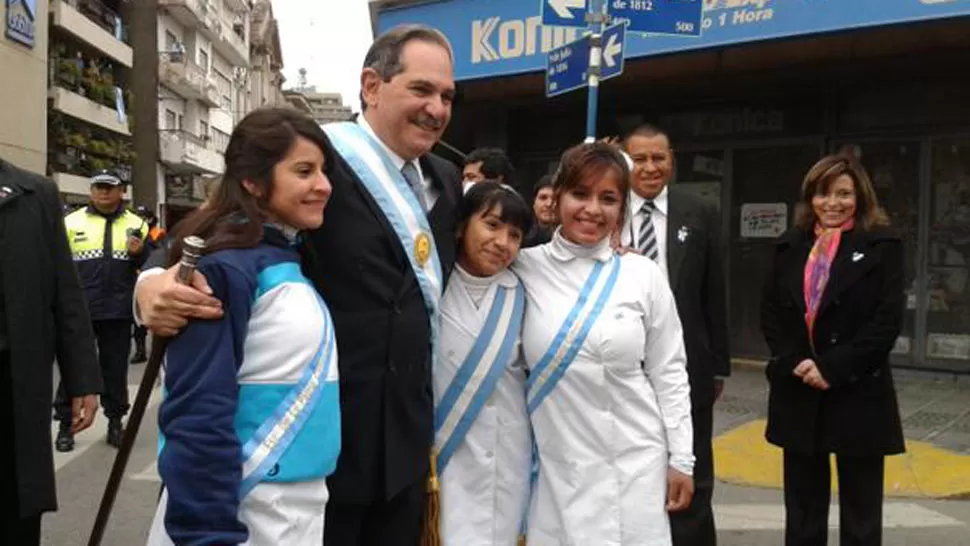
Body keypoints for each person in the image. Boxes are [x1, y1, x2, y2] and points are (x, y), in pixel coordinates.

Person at [135, 24, 461, 546]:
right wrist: (151, 281)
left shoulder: (446, 178)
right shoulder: (316, 163)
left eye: (447, 95)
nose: (437, 108)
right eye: (421, 90)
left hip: (404, 452)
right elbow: (209, 227)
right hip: (317, 454)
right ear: (372, 86)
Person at [145, 108, 340, 545]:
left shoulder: (283, 252)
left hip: (294, 509)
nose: (324, 185)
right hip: (243, 512)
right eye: (304, 171)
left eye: (324, 170)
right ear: (252, 182)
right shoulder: (224, 269)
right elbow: (197, 412)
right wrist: (207, 535)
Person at [513, 142, 694, 545]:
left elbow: (669, 370)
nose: (593, 209)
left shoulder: (641, 274)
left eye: (608, 199)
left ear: (622, 209)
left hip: (636, 466)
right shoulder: (522, 268)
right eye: (581, 194)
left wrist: (682, 458)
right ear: (556, 197)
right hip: (559, 470)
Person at [760, 154, 904, 546]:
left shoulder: (883, 246)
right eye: (823, 194)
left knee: (861, 514)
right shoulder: (789, 246)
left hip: (857, 390)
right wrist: (798, 363)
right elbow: (771, 314)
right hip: (799, 389)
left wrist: (833, 368)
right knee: (803, 512)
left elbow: (887, 322)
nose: (833, 203)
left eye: (844, 194)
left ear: (860, 197)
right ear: (811, 198)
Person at [617, 124, 730, 546]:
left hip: (689, 366)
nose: (650, 167)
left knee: (692, 475)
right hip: (625, 364)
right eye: (639, 159)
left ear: (671, 160)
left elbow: (714, 292)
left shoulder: (698, 211)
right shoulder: (607, 209)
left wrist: (719, 365)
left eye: (658, 158)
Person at [0, 159, 101, 545]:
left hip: (14, 382)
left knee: (16, 506)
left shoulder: (34, 194)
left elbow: (65, 293)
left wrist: (83, 381)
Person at [434, 181, 532, 544]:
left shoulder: (526, 292)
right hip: (447, 457)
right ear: (462, 225)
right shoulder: (431, 285)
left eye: (515, 235)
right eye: (491, 225)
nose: (502, 242)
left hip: (508, 459)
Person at [54, 170, 148, 451]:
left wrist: (138, 253)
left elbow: (151, 261)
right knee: (73, 369)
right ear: (91, 191)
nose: (104, 193)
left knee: (114, 370)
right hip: (79, 311)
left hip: (117, 311)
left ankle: (115, 423)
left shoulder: (137, 224)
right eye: (99, 188)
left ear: (122, 192)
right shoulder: (71, 222)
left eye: (110, 188)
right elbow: (57, 264)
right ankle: (65, 426)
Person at [523, 174, 555, 247]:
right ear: (534, 203)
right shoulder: (521, 237)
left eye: (555, 199)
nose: (549, 204)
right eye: (543, 198)